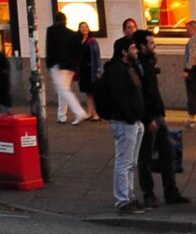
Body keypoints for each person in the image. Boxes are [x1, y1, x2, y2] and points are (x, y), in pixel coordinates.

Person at [94, 27, 149, 213]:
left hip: (133, 120)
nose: (136, 51)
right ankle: (122, 200)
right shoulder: (117, 70)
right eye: (133, 48)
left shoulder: (128, 67)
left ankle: (130, 196)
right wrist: (131, 115)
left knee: (130, 163)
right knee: (124, 162)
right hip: (125, 121)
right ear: (124, 52)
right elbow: (119, 96)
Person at [133, 31, 188, 206]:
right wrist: (149, 118)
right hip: (149, 117)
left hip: (157, 114)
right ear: (142, 46)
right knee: (146, 156)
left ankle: (171, 191)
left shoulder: (148, 62)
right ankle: (148, 193)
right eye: (151, 43)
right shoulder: (139, 65)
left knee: (168, 154)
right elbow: (141, 94)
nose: (154, 45)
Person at [47, 11, 87, 124]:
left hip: (58, 65)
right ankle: (61, 115)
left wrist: (49, 64)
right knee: (63, 90)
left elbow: (50, 48)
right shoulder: (72, 34)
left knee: (63, 90)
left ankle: (78, 112)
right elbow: (78, 50)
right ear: (65, 21)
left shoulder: (51, 31)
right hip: (70, 66)